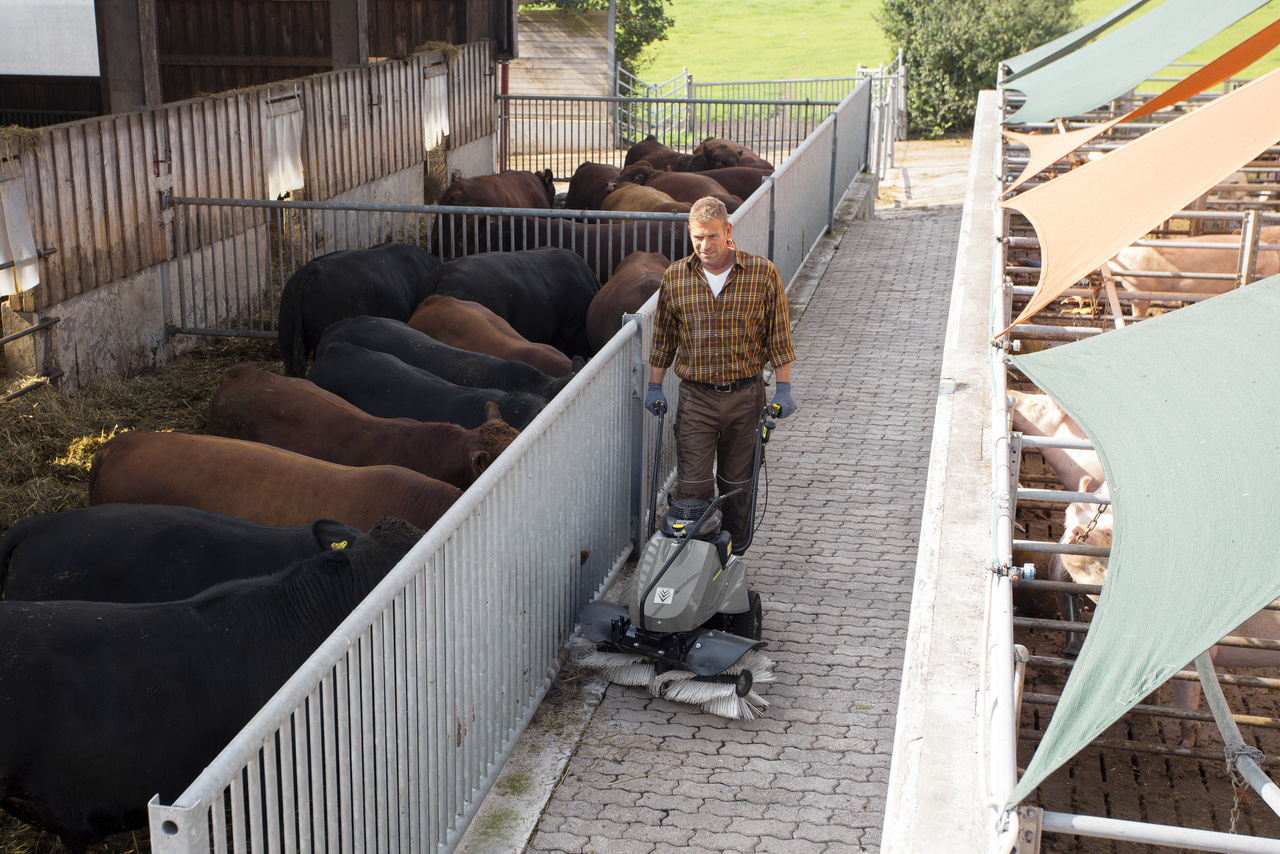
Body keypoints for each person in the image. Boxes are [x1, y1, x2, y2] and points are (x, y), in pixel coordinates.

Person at [644, 196, 797, 549]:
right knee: (693, 490)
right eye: (697, 237)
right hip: (696, 400)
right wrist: (655, 388)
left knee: (738, 486)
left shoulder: (762, 274)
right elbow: (663, 339)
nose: (704, 245)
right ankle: (697, 561)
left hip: (746, 398)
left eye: (712, 236)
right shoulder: (676, 277)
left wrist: (784, 389)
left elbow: (779, 336)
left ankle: (734, 557)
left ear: (728, 231)